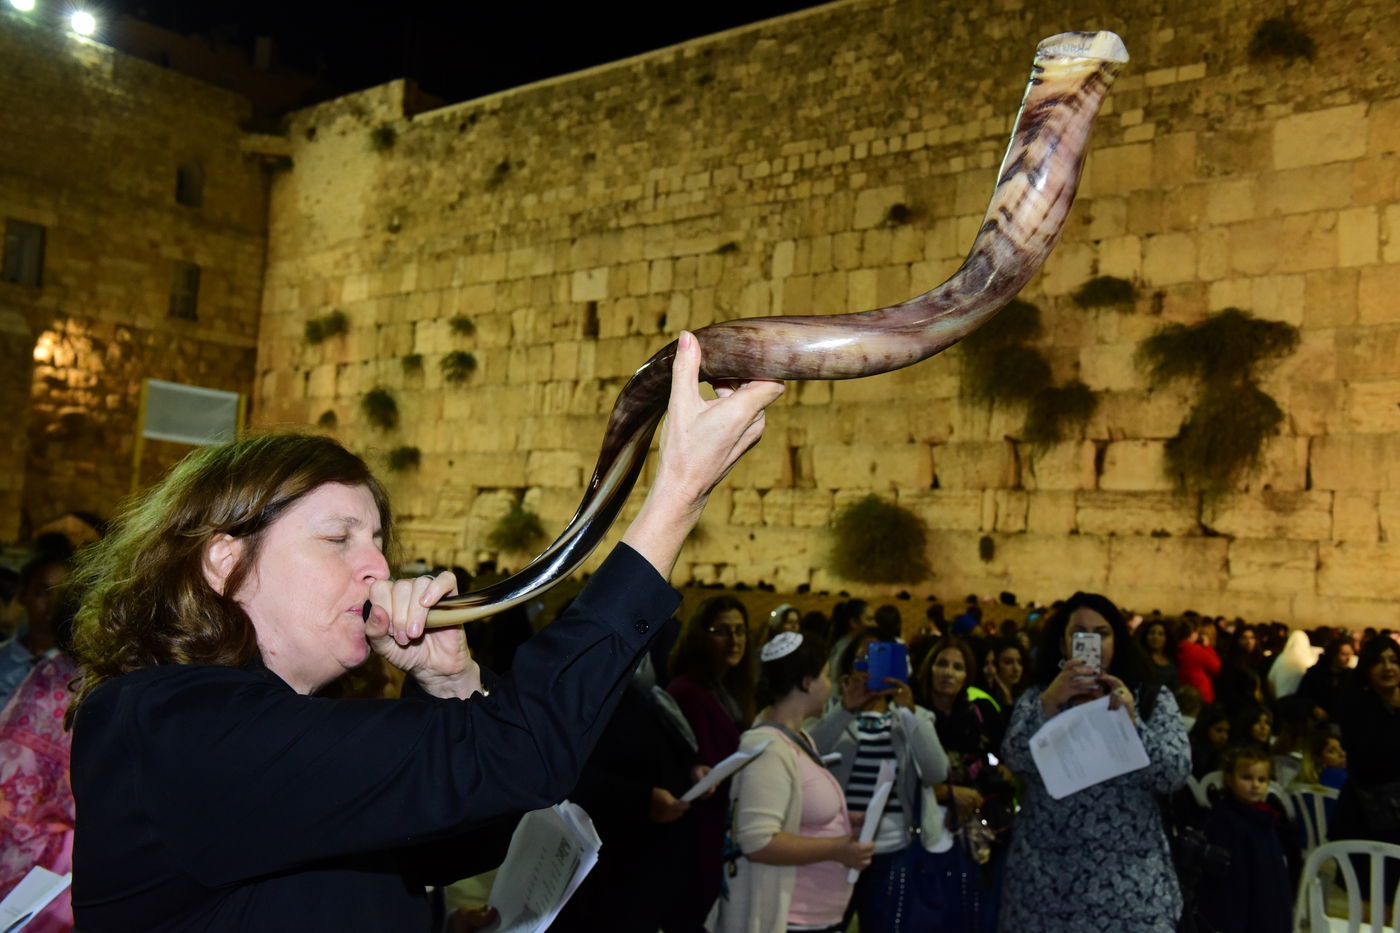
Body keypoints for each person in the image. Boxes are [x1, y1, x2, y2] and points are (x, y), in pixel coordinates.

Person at [67, 331, 784, 931]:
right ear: (227, 562)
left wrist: (452, 683)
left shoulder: (286, 725)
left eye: (377, 538)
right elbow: (523, 752)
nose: (378, 564)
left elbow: (480, 819)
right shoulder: (169, 725)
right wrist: (675, 497)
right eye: (339, 537)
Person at [999, 592, 1190, 933]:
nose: (1092, 643)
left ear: (1118, 641)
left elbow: (1174, 773)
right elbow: (1015, 759)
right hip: (1046, 890)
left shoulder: (1151, 699)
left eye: (1102, 633)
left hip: (1130, 894)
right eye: (1079, 633)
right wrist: (1049, 704)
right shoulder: (1039, 696)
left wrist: (1133, 724)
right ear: (1063, 644)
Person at [708, 632, 872, 933]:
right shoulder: (768, 747)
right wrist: (837, 848)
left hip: (813, 916)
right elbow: (758, 841)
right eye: (824, 676)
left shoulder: (796, 738)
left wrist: (845, 822)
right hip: (789, 918)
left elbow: (795, 814)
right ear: (806, 682)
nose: (830, 685)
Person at [809, 628, 949, 931]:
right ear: (848, 668)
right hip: (835, 849)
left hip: (893, 852)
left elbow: (936, 771)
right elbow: (807, 757)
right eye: (863, 659)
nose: (872, 667)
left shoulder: (915, 716)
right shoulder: (830, 713)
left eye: (881, 660)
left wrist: (907, 712)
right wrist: (846, 710)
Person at [667, 594, 757, 929]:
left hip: (724, 834)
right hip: (697, 841)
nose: (734, 640)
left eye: (740, 630)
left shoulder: (732, 689)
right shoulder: (686, 692)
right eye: (722, 630)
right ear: (700, 635)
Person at [1194, 746, 1299, 933]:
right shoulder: (1225, 822)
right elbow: (1229, 887)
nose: (1255, 785)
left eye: (1262, 779)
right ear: (1229, 779)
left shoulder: (1266, 820)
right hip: (1242, 915)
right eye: (1246, 778)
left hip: (1267, 906)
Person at [1331, 634, 1400, 905]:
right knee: (1373, 902)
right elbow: (1376, 757)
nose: (1388, 668)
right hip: (1368, 817)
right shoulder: (1356, 705)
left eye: (1394, 661)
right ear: (1367, 668)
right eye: (1379, 662)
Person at [0, 549, 73, 708]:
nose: (53, 603)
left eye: (63, 594)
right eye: (44, 592)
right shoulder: (3, 658)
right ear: (24, 595)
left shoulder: (76, 668)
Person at [1176, 615, 1221, 705]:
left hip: (1182, 693)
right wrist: (1208, 647)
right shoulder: (1196, 650)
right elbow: (1217, 668)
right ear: (1192, 633)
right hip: (1201, 695)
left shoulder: (1176, 648)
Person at [1135, 617, 1178, 690]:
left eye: (1161, 634)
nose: (1156, 637)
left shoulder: (1171, 659)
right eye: (1152, 633)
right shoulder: (1139, 659)